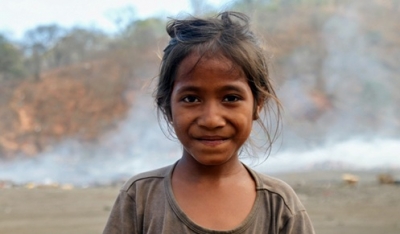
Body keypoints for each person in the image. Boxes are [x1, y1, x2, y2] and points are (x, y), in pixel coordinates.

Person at [103, 11, 315, 234]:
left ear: (257, 104)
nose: (212, 120)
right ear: (167, 107)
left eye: (231, 98)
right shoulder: (140, 197)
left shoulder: (279, 206)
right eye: (191, 99)